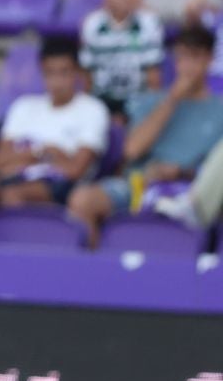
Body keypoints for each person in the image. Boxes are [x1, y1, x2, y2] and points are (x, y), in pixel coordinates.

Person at [68, 26, 223, 244]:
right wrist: (172, 99)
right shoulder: (151, 100)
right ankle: (95, 272)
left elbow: (216, 171)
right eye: (181, 57)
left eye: (194, 58)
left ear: (208, 60)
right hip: (139, 183)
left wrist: (182, 172)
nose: (186, 66)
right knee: (82, 200)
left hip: (189, 192)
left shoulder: (219, 109)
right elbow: (132, 149)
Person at [0, 38, 109, 222]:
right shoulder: (23, 106)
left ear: (77, 72)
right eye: (49, 73)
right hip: (12, 179)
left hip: (58, 187)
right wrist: (46, 153)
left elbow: (75, 170)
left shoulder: (92, 109)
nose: (57, 81)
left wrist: (23, 155)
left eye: (64, 72)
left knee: (12, 197)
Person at [80, 0, 164, 112]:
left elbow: (153, 77)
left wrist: (151, 108)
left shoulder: (149, 23)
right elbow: (87, 76)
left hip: (138, 100)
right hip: (102, 100)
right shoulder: (92, 24)